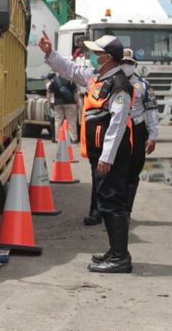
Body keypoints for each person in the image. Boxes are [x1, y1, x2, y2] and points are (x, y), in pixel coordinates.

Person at [39, 32, 134, 273]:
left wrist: (106, 157)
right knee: (106, 200)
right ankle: (115, 251)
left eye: (97, 53)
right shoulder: (97, 78)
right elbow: (70, 70)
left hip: (111, 154)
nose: (93, 56)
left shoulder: (118, 85)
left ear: (109, 58)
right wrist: (50, 53)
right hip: (100, 153)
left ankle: (121, 257)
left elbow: (118, 123)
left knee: (112, 202)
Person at [120, 48, 159, 214]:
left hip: (137, 128)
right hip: (118, 128)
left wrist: (152, 136)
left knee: (134, 168)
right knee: (115, 169)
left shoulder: (144, 85)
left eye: (129, 63)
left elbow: (151, 111)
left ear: (135, 64)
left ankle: (126, 210)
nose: (126, 66)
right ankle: (111, 209)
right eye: (123, 63)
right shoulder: (111, 81)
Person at [46, 71, 79, 143]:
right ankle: (73, 138)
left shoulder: (54, 80)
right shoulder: (70, 80)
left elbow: (49, 92)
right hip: (70, 103)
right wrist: (77, 103)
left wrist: (48, 103)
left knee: (58, 121)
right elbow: (75, 93)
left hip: (58, 103)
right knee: (71, 121)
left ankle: (58, 138)